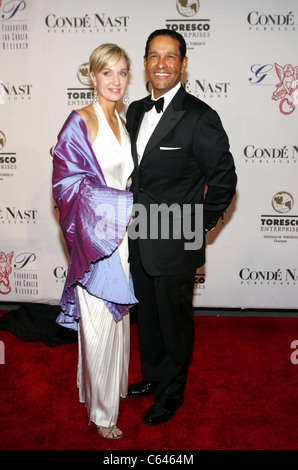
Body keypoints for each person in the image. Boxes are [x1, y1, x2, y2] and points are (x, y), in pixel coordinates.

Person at [126, 29, 237, 426]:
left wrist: (195, 227)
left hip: (175, 239)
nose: (161, 64)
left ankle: (173, 393)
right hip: (137, 235)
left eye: (170, 57)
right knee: (150, 317)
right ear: (144, 63)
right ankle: (154, 376)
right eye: (153, 56)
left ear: (184, 64)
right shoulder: (135, 110)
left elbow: (224, 182)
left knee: (174, 322)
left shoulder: (200, 117)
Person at [52, 43, 137, 439]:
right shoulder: (79, 122)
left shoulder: (123, 122)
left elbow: (128, 177)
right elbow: (67, 184)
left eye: (122, 73)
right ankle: (103, 415)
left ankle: (102, 393)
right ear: (92, 76)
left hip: (125, 237)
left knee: (116, 323)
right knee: (100, 323)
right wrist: (119, 203)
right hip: (96, 236)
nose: (116, 81)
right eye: (108, 73)